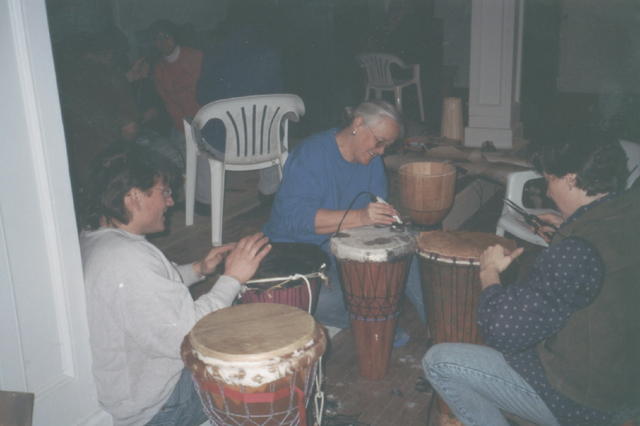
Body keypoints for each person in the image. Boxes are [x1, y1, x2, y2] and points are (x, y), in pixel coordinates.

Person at [422, 132, 640, 426]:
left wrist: (489, 272)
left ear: (571, 179)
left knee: (439, 362)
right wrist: (567, 229)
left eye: (549, 180)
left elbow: (502, 331)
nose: (548, 192)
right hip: (627, 382)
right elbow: (599, 259)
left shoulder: (576, 252)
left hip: (587, 402)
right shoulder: (629, 209)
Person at [79, 144, 271, 426]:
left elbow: (146, 292)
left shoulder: (98, 240)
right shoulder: (127, 259)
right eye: (164, 192)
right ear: (133, 197)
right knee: (262, 355)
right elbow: (190, 336)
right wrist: (233, 278)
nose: (170, 202)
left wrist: (199, 269)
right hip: (162, 405)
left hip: (132, 390)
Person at [263, 100, 426, 337]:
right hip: (295, 251)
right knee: (327, 300)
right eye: (379, 142)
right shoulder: (311, 153)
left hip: (342, 247)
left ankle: (438, 329)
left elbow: (373, 211)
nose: (381, 151)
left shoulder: (372, 161)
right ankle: (375, 322)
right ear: (358, 124)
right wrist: (361, 216)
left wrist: (387, 220)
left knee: (409, 247)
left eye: (387, 146)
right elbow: (295, 219)